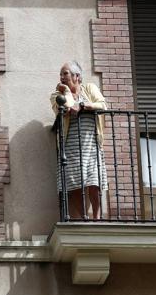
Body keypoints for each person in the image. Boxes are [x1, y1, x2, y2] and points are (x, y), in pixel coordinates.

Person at [50, 61, 107, 219]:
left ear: (77, 76)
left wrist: (82, 105)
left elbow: (102, 105)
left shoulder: (89, 88)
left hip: (91, 143)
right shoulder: (57, 95)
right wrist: (67, 92)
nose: (62, 77)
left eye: (65, 73)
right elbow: (67, 108)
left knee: (93, 181)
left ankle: (96, 217)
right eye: (61, 74)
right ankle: (83, 218)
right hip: (71, 145)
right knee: (74, 182)